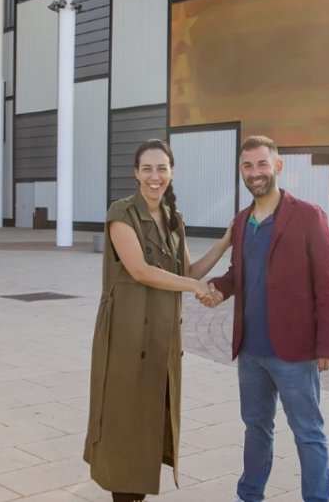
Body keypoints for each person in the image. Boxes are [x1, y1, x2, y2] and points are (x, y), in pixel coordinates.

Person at [84, 139, 231, 501]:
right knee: (124, 425)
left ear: (172, 172)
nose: (155, 176)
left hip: (162, 341)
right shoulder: (121, 213)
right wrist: (195, 287)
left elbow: (188, 270)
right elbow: (140, 270)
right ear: (136, 173)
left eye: (161, 168)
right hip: (126, 337)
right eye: (147, 168)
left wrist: (225, 242)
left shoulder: (173, 218)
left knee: (149, 423)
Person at [200, 135, 329, 502]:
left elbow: (328, 284)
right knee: (256, 428)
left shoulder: (309, 215)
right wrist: (217, 287)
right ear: (241, 172)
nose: (255, 172)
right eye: (248, 166)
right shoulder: (242, 220)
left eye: (262, 164)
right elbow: (238, 274)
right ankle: (249, 496)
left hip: (295, 352)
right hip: (251, 350)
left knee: (308, 431)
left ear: (277, 166)